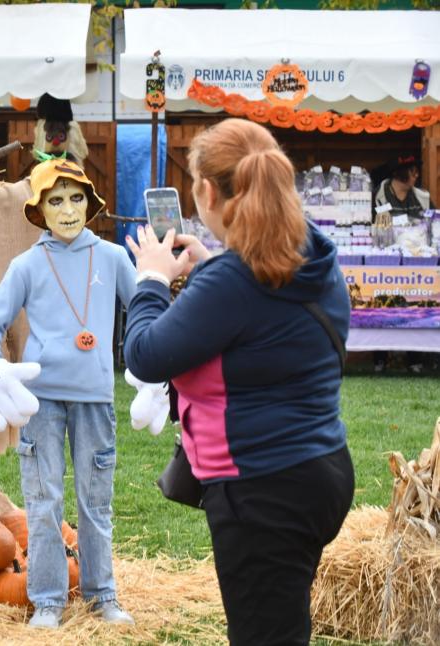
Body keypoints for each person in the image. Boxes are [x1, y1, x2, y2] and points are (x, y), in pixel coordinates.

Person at [123, 118, 354, 646]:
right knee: (281, 624)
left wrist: (152, 279)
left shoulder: (234, 281)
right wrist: (210, 266)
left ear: (205, 191)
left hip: (261, 491)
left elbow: (144, 355)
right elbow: (261, 307)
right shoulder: (314, 253)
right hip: (320, 472)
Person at [0, 157, 137, 629]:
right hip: (39, 402)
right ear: (39, 210)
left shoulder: (112, 258)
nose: (68, 209)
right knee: (43, 500)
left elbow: (145, 307)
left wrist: (156, 360)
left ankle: (102, 593)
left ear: (90, 203)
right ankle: (47, 599)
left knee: (95, 500)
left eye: (76, 198)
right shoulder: (27, 265)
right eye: (56, 200)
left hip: (95, 401)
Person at [372, 154, 435, 373]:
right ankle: (380, 358)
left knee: (415, 305)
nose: (417, 175)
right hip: (385, 262)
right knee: (382, 305)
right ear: (402, 174)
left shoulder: (422, 197)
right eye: (413, 171)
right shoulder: (378, 196)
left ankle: (414, 359)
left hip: (416, 262)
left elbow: (433, 221)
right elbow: (374, 229)